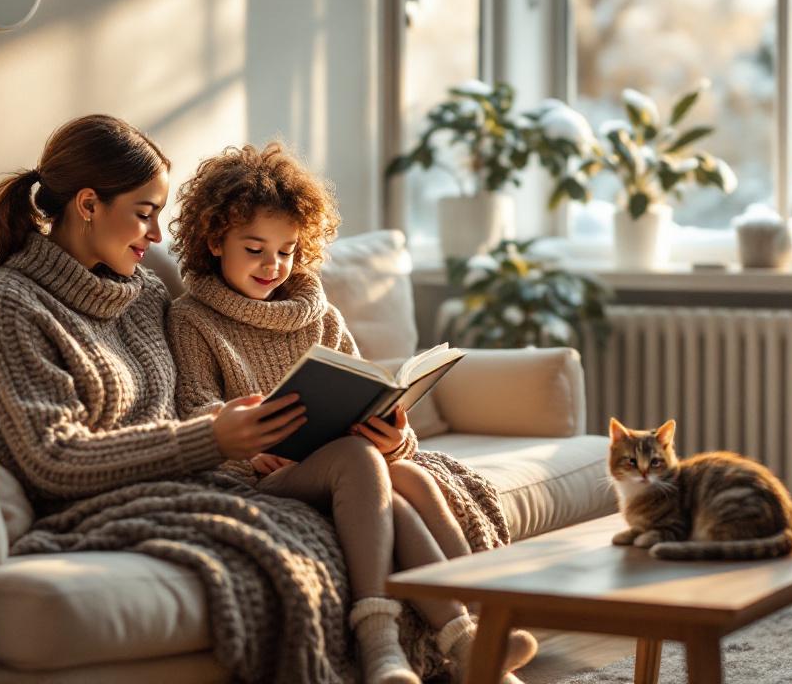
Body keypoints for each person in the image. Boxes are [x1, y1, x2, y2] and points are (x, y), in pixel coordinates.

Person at [167, 142, 537, 684]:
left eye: (287, 250)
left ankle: (478, 633)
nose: (273, 266)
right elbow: (198, 415)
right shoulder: (190, 319)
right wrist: (249, 445)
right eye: (254, 249)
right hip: (259, 482)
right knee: (361, 461)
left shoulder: (323, 318)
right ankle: (380, 642)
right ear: (214, 240)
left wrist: (394, 438)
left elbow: (369, 396)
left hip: (346, 465)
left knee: (406, 474)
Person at [0, 115, 308, 506]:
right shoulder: (4, 303)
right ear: (88, 205)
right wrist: (213, 439)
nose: (157, 234)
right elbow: (53, 460)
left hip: (194, 491)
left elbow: (180, 413)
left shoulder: (147, 294)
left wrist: (247, 442)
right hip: (108, 510)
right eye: (145, 212)